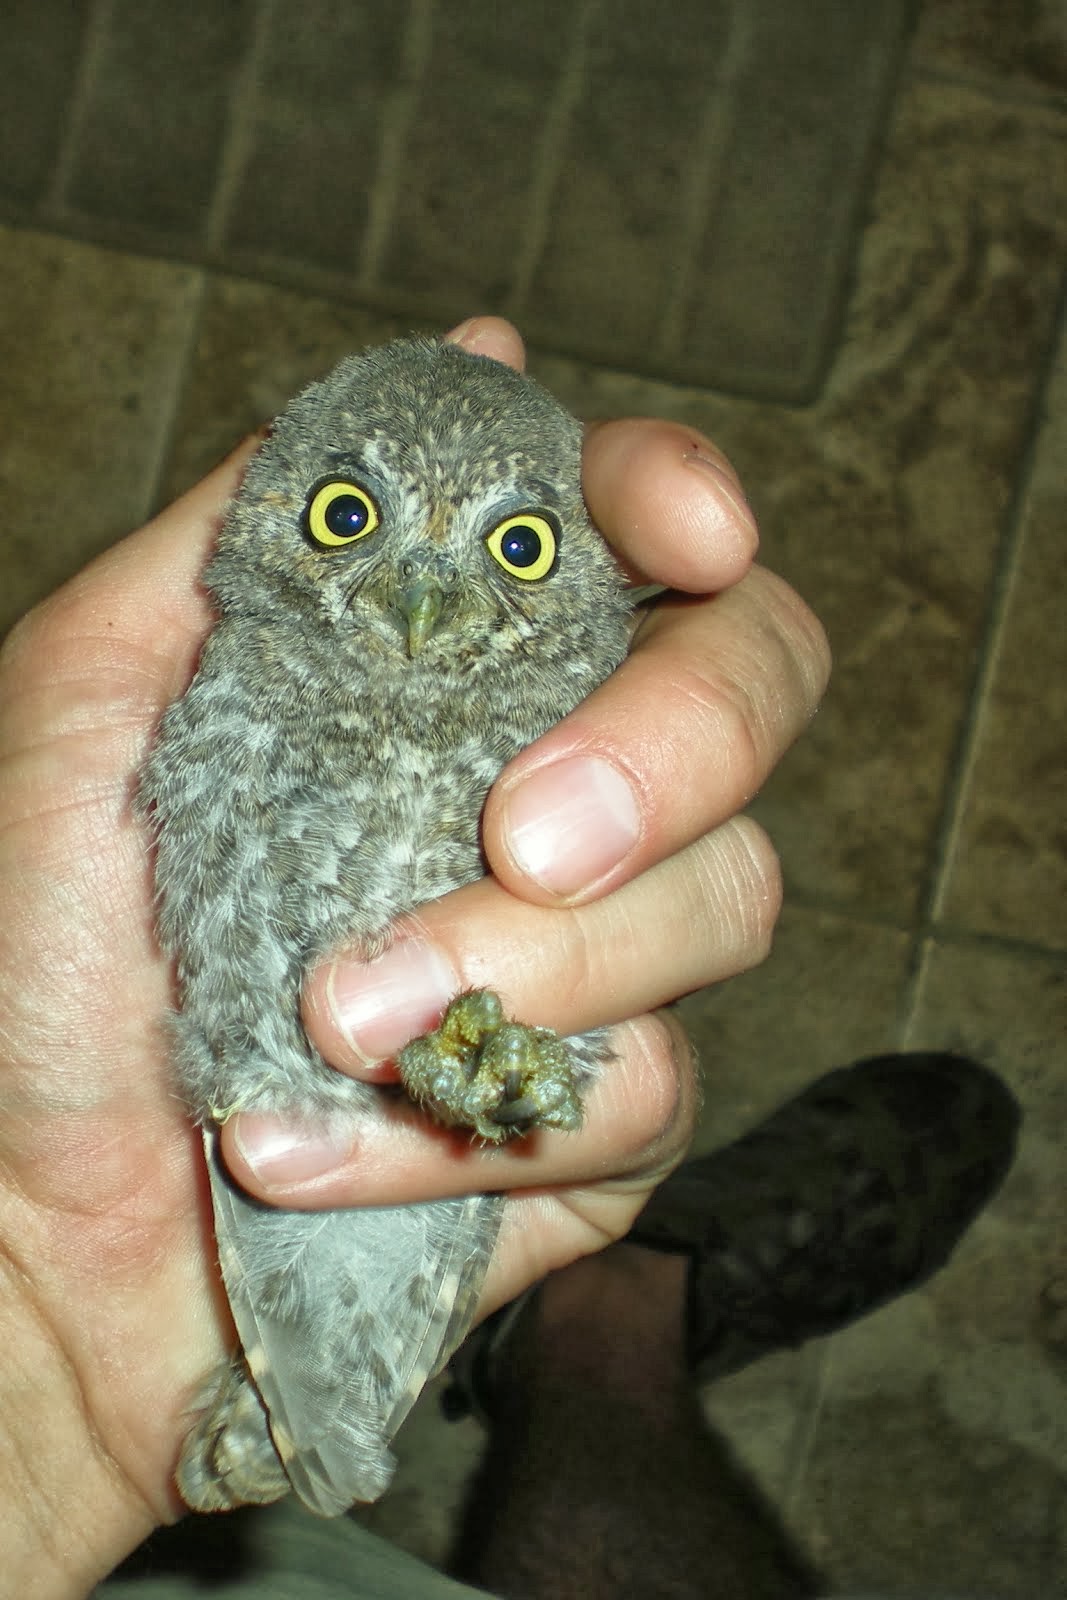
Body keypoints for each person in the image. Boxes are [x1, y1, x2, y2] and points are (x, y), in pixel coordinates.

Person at [0, 312, 898, 1598]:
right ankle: (589, 1322)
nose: (420, 599)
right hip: (268, 1142)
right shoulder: (248, 652)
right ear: (273, 504)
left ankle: (561, 1300)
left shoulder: (567, 679)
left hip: (326, 1176)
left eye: (518, 547)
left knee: (532, 974)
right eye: (346, 520)